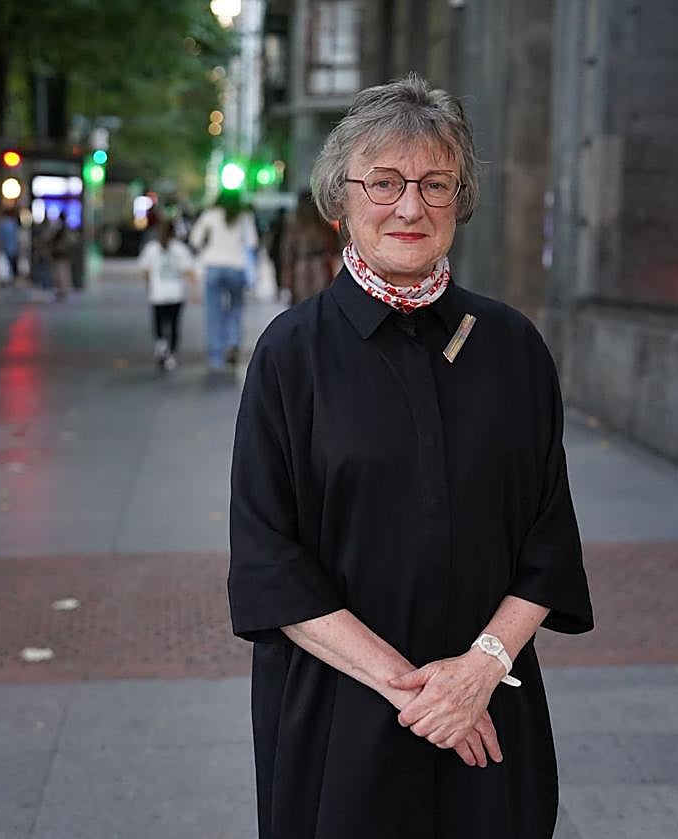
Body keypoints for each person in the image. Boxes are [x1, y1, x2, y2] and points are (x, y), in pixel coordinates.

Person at [228, 74, 593, 839]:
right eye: (385, 181)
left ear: (460, 199)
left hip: (494, 704)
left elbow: (547, 540)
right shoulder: (291, 356)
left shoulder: (513, 348)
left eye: (435, 183)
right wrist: (427, 696)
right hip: (340, 715)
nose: (409, 206)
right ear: (341, 198)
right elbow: (270, 560)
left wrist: (480, 670)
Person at [189, 190, 257, 371]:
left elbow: (195, 240)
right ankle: (233, 345)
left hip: (213, 266)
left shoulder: (209, 215)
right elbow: (252, 243)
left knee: (214, 312)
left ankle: (216, 355)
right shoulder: (244, 217)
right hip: (236, 267)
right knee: (235, 309)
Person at [137, 218, 195, 371]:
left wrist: (149, 285)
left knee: (159, 323)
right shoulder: (180, 249)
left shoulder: (151, 248)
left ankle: (161, 345)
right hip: (176, 294)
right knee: (174, 325)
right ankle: (171, 354)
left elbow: (144, 270)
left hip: (158, 294)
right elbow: (189, 271)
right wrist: (195, 291)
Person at [280, 189, 341, 305]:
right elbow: (334, 245)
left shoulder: (295, 225)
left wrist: (287, 274)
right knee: (319, 301)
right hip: (319, 263)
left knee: (303, 302)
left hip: (301, 264)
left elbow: (287, 251)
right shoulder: (322, 224)